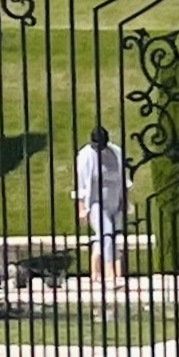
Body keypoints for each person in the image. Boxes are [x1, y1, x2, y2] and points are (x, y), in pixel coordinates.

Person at [74, 123, 128, 287]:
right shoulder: (85, 156)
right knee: (107, 233)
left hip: (114, 201)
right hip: (95, 203)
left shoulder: (116, 153)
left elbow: (123, 180)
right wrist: (82, 208)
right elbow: (81, 186)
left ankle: (95, 272)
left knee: (106, 238)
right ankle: (110, 274)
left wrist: (124, 202)